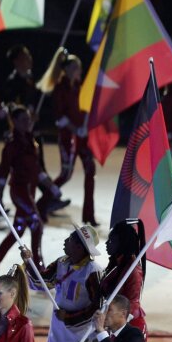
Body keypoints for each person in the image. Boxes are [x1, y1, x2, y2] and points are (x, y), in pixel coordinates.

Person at [0, 105, 65, 277]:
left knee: (18, 230)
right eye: (23, 120)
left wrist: (51, 186)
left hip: (31, 191)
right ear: (14, 122)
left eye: (28, 119)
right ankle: (37, 267)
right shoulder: (12, 145)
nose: (27, 122)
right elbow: (2, 173)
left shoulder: (32, 142)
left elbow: (38, 170)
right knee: (37, 225)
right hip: (20, 192)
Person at [51, 53, 98, 225]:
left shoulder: (81, 87)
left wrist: (85, 126)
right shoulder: (60, 88)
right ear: (65, 70)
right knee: (66, 174)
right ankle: (43, 203)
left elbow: (86, 108)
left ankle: (88, 215)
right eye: (73, 67)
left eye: (78, 67)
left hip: (81, 138)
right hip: (68, 138)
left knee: (90, 170)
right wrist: (75, 129)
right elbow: (59, 116)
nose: (77, 70)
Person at [100, 220, 147, 337]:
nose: (106, 243)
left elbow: (130, 303)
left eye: (111, 240)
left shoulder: (133, 270)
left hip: (130, 326)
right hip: (116, 323)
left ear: (122, 243)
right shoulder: (117, 263)